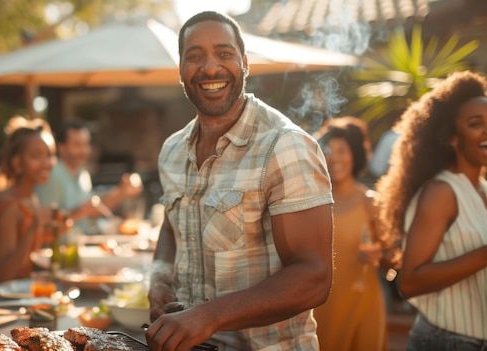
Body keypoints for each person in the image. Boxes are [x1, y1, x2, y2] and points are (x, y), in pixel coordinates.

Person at [145, 11, 334, 351]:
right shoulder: (172, 149)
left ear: (245, 63)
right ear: (181, 70)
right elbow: (172, 226)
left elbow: (314, 277)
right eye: (195, 56)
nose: (211, 68)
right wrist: (159, 277)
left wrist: (208, 316)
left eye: (224, 53)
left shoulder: (284, 145)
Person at [375, 70, 487, 350]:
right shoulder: (442, 192)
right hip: (448, 341)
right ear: (451, 137)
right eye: (476, 123)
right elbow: (410, 281)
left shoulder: (483, 188)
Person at [314, 117, 398, 351]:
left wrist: (378, 257)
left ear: (355, 155)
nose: (334, 157)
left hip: (362, 302)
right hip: (321, 305)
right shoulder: (314, 202)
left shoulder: (370, 202)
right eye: (329, 150)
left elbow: (391, 260)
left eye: (343, 150)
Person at [0, 116, 60, 286]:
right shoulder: (10, 205)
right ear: (17, 163)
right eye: (36, 156)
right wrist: (34, 226)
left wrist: (56, 231)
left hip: (23, 293)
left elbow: (26, 251)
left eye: (50, 155)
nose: (47, 163)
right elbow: (6, 275)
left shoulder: (31, 198)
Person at [35, 120, 143, 232]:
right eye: (77, 145)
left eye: (86, 144)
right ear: (62, 148)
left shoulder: (82, 174)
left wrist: (121, 192)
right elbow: (43, 226)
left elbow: (93, 207)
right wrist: (79, 213)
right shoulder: (52, 175)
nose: (84, 150)